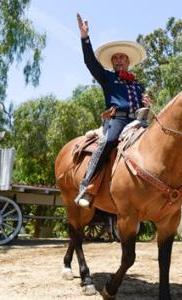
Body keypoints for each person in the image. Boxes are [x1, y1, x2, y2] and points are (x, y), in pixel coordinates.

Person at [74, 13, 152, 207]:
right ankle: (87, 185)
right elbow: (90, 62)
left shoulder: (137, 84)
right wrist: (85, 37)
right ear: (113, 62)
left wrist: (147, 106)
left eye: (122, 57)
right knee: (108, 141)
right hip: (116, 120)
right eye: (115, 58)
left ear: (127, 61)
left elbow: (142, 107)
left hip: (138, 121)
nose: (118, 60)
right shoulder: (107, 77)